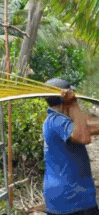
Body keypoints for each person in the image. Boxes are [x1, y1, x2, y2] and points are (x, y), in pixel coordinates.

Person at [43, 78, 99, 215]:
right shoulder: (57, 122)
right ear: (64, 100)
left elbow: (89, 127)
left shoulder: (56, 120)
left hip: (68, 197)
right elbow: (84, 137)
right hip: (73, 199)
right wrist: (73, 105)